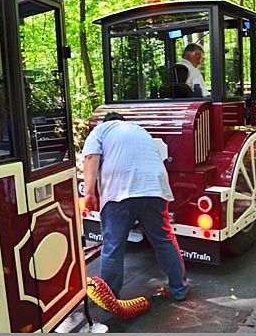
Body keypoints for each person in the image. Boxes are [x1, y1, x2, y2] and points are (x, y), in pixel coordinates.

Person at [81, 111, 189, 301]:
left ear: (107, 123)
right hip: (154, 190)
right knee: (164, 240)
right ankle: (179, 289)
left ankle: (110, 297)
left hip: (120, 193)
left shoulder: (100, 130)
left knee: (113, 246)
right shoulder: (141, 131)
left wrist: (89, 194)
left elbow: (91, 158)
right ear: (123, 121)